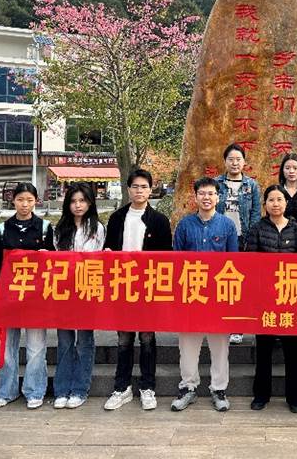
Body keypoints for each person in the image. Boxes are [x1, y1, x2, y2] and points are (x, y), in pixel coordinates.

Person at [102, 169, 172, 412]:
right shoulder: (117, 218)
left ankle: (147, 387)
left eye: (144, 187)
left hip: (148, 288)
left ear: (150, 190)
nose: (139, 191)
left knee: (147, 338)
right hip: (122, 286)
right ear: (128, 189)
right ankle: (121, 388)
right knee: (123, 339)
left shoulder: (159, 220)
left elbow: (166, 257)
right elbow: (108, 249)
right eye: (135, 186)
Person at [0, 182, 55, 410]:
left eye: (29, 200)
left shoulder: (45, 228)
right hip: (8, 297)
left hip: (36, 298)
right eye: (20, 200)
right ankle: (7, 390)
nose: (25, 204)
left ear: (36, 202)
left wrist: (47, 255)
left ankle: (35, 390)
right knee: (7, 347)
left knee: (36, 347)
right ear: (13, 201)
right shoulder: (2, 230)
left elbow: (55, 263)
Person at [171, 177, 238, 412]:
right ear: (196, 197)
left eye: (211, 193)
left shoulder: (227, 226)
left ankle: (219, 389)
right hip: (191, 295)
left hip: (218, 295)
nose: (206, 197)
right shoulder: (184, 225)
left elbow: (234, 263)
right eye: (202, 193)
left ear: (218, 197)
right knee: (188, 346)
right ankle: (188, 387)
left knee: (220, 347)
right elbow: (175, 262)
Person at [245, 185, 297, 413]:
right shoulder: (257, 229)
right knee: (263, 350)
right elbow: (250, 263)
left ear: (286, 203)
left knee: (292, 351)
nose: (275, 204)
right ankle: (261, 395)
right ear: (265, 204)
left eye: (280, 199)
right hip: (265, 298)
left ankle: (295, 398)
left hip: (291, 296)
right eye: (271, 200)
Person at [52, 182, 105, 410]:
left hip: (87, 290)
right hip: (64, 292)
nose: (78, 205)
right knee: (64, 341)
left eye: (82, 200)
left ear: (90, 203)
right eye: (73, 201)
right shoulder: (60, 229)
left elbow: (97, 259)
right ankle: (62, 389)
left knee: (84, 342)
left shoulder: (97, 228)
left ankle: (80, 389)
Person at [215, 143, 261, 345]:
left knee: (239, 285)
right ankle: (218, 324)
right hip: (219, 239)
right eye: (231, 159)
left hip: (242, 239)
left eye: (238, 159)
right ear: (225, 161)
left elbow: (255, 214)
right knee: (219, 282)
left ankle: (237, 327)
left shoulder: (251, 185)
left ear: (244, 162)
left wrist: (251, 240)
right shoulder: (216, 184)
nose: (234, 163)